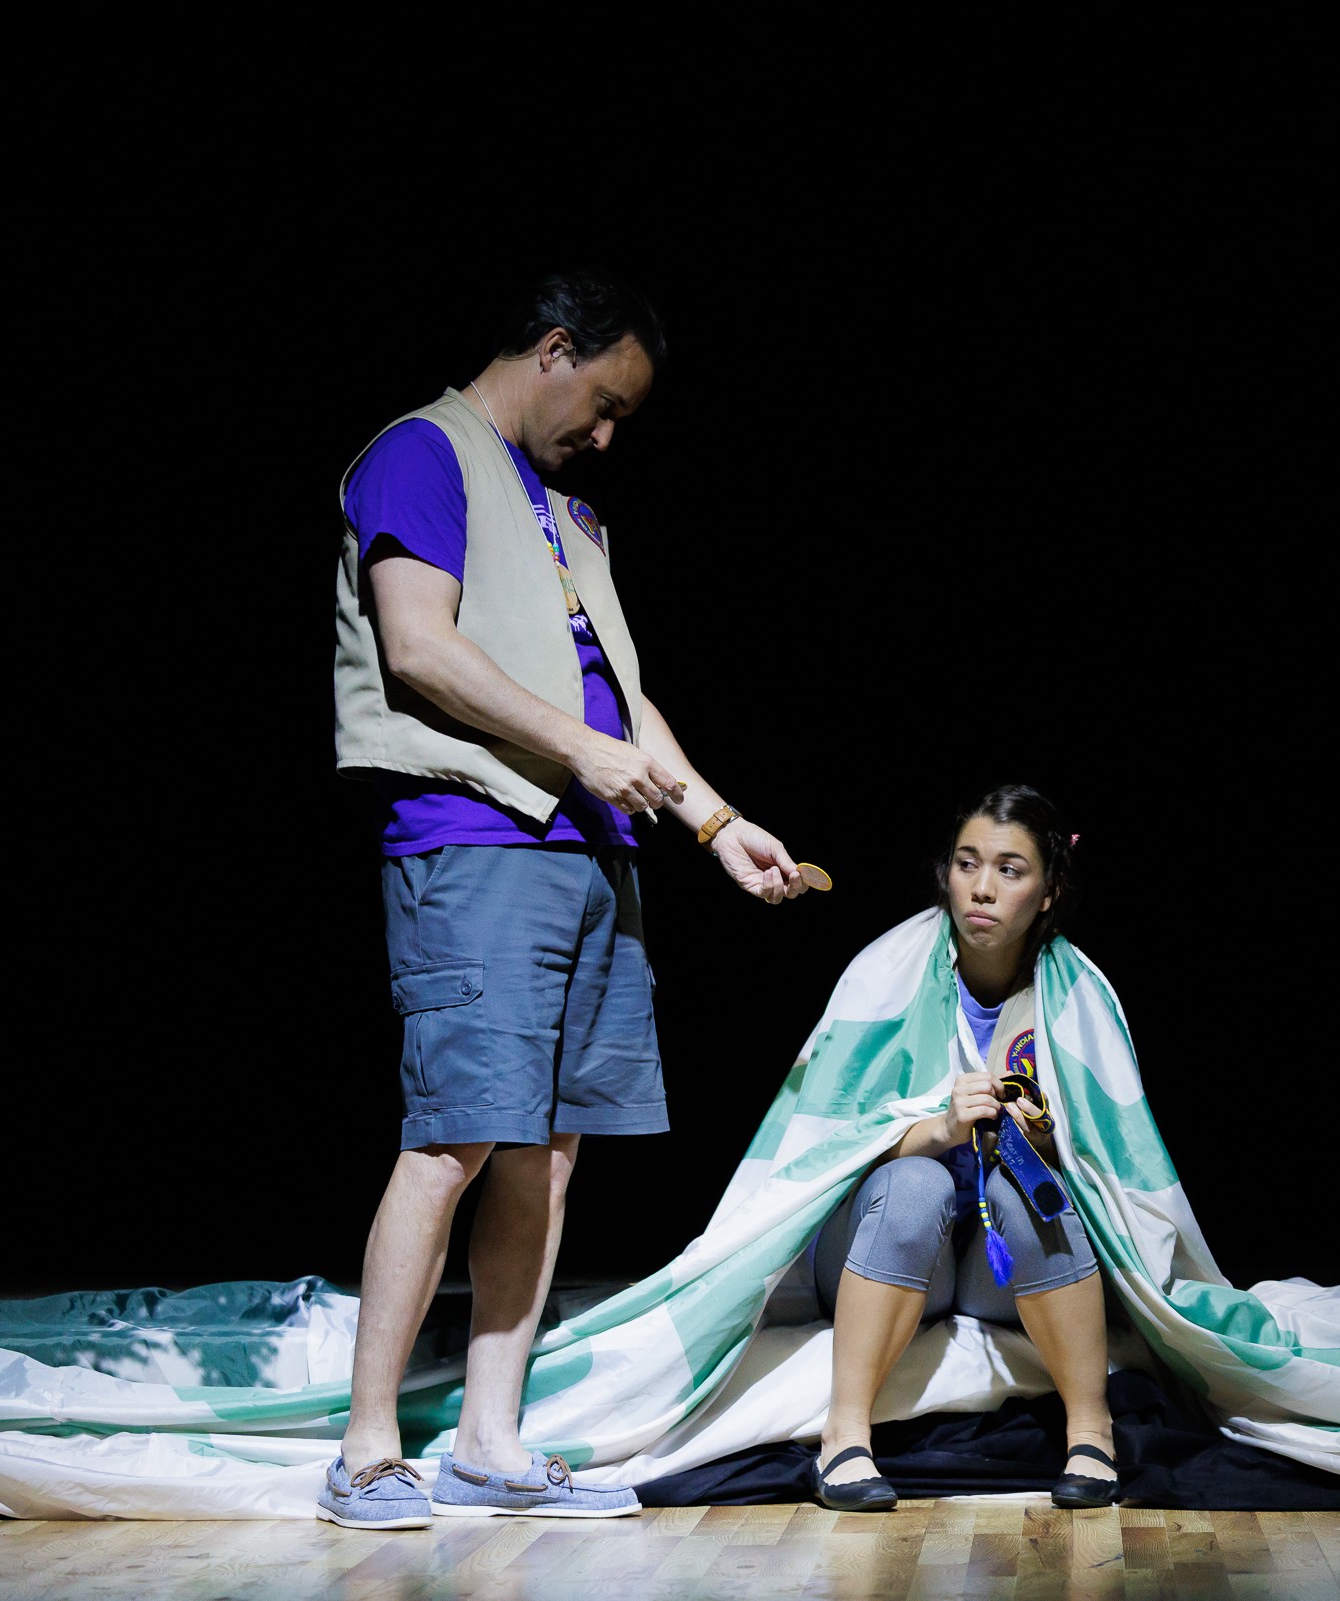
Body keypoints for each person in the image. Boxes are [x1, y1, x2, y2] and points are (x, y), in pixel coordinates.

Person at [321, 267, 810, 1530]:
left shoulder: (568, 513)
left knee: (548, 1144)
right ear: (551, 347)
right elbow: (418, 644)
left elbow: (616, 695)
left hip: (594, 854)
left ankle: (489, 1438)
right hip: (475, 834)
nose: (604, 435)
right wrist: (577, 750)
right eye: (600, 403)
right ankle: (367, 1450)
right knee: (453, 1135)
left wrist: (714, 821)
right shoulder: (423, 453)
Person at [808, 783, 1120, 1511]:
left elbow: (1117, 1166)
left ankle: (1091, 1430)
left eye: (1010, 870)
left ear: (1048, 891)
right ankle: (844, 1433)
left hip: (995, 1265)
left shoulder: (1078, 997)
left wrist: (1043, 1136)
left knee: (1028, 1186)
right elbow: (823, 1149)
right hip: (887, 1240)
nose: (981, 888)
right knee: (918, 1181)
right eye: (967, 862)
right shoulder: (885, 974)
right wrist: (940, 1129)